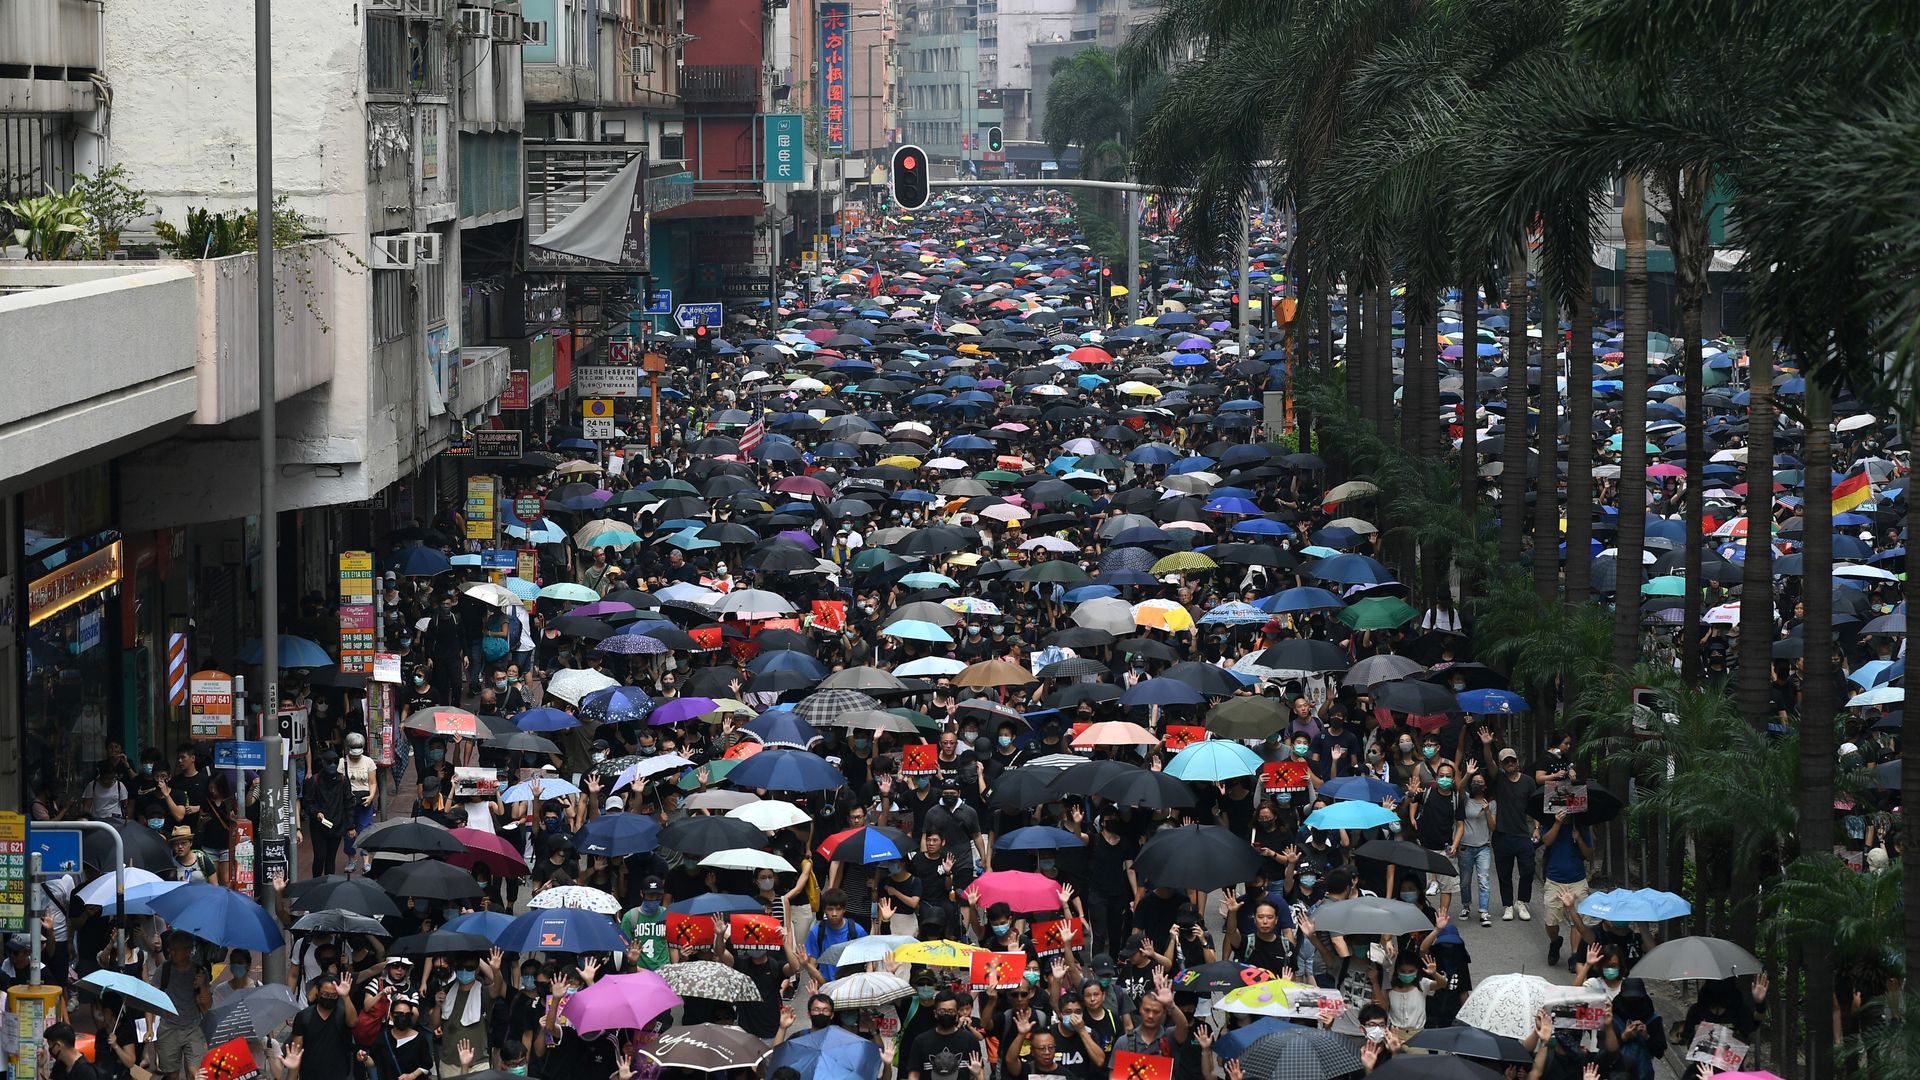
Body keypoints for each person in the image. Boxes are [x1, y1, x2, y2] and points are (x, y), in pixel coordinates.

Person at [1479, 732, 1539, 921]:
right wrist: (1487, 746)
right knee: (1504, 874)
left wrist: (1537, 827)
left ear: (1517, 762)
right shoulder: (1499, 779)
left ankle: (1521, 902)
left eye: (1512, 760)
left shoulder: (1528, 782)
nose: (1510, 763)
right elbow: (1489, 764)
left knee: (1528, 870)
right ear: (1502, 764)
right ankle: (1507, 905)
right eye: (1506, 761)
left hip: (1522, 835)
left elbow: (1535, 807)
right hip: (1502, 834)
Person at [1541, 809, 1595, 969]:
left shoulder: (1581, 825)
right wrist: (1557, 823)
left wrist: (1579, 839)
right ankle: (1555, 941)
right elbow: (1547, 841)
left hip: (1577, 880)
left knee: (1577, 920)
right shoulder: (1549, 820)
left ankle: (1575, 954)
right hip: (1554, 880)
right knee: (1551, 921)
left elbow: (1590, 854)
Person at [154, 931, 211, 1079]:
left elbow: (208, 1005)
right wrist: (149, 1027)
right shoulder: (164, 969)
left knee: (195, 1073)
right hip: (168, 1029)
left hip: (193, 1029)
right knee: (172, 1074)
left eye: (175, 949)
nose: (171, 953)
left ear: (187, 951)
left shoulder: (200, 971)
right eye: (170, 949)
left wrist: (202, 985)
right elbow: (152, 996)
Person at [291, 973, 357, 1080]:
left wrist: (345, 996)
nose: (329, 998)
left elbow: (353, 1022)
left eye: (333, 996)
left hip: (339, 1074)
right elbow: (296, 1052)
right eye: (325, 994)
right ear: (317, 991)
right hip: (310, 1075)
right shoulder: (304, 1017)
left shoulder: (343, 1013)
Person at [906, 990, 982, 1080]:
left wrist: (976, 1075)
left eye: (951, 1011)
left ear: (957, 1014)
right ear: (935, 1013)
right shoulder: (920, 1041)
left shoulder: (970, 1039)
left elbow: (980, 1072)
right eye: (942, 1011)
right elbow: (914, 1074)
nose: (947, 1014)